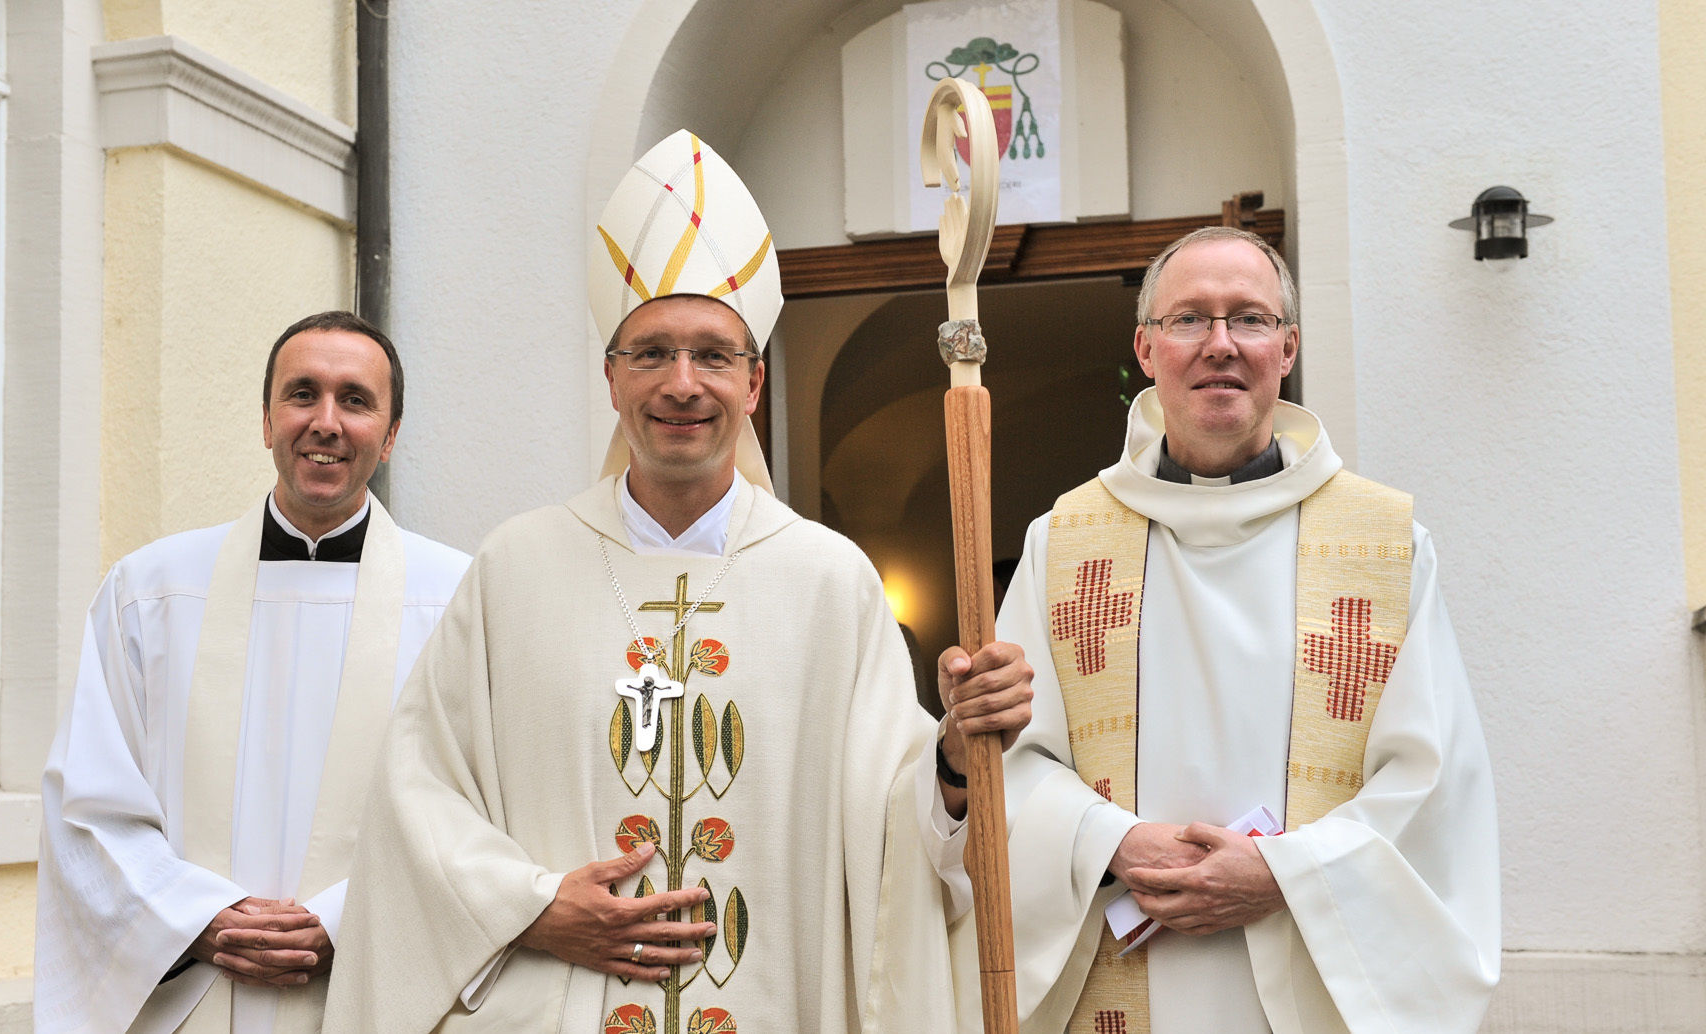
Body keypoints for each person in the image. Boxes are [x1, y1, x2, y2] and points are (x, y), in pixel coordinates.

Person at [322, 130, 1032, 1034]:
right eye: (651, 353)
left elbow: (888, 835)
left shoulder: (828, 583)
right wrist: (532, 907)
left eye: (713, 355)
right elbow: (415, 800)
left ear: (754, 381)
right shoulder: (516, 569)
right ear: (612, 380)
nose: (682, 384)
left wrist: (953, 754)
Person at [930, 227, 1500, 1032]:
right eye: (1190, 319)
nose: (1220, 345)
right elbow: (1008, 767)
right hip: (1119, 969)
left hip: (1303, 972)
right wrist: (1108, 843)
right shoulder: (1065, 542)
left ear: (1289, 347)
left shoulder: (1384, 543)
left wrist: (1285, 873)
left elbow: (1435, 787)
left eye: (1251, 320)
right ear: (1147, 346)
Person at [33, 311, 472, 1034]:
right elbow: (88, 801)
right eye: (302, 394)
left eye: (355, 400)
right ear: (267, 420)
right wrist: (198, 918)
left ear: (391, 436)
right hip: (194, 987)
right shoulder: (151, 589)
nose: (325, 422)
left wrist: (342, 920)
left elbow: (475, 815)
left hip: (370, 987)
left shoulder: (457, 598)